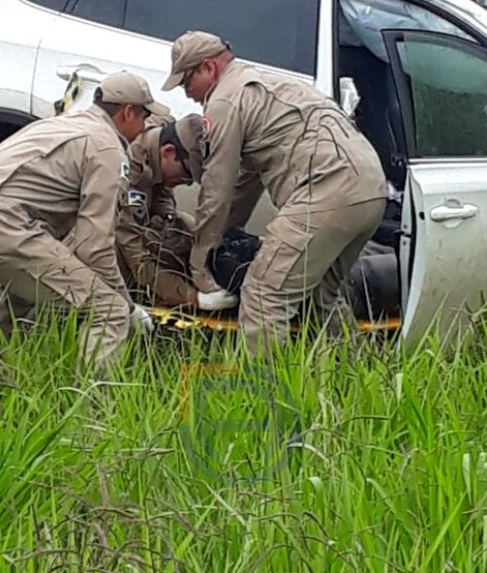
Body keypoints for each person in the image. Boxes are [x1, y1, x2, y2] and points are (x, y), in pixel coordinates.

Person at [162, 31, 388, 349]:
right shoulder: (265, 82)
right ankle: (349, 385)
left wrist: (199, 259)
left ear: (208, 68)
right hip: (370, 187)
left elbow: (218, 186)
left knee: (265, 293)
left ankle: (265, 394)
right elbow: (244, 183)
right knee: (322, 295)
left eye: (187, 83)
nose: (188, 95)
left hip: (328, 187)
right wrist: (222, 235)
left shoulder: (224, 100)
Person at [0, 71, 168, 367]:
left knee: (21, 291)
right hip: (0, 228)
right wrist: (126, 303)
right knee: (109, 311)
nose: (144, 127)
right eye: (144, 118)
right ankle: (95, 406)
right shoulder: (107, 147)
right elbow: (93, 245)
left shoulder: (59, 124)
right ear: (128, 112)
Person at [117, 113, 206, 307]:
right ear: (168, 151)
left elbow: (162, 195)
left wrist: (170, 221)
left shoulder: (159, 142)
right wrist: (193, 298)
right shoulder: (129, 168)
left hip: (129, 223)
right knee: (120, 256)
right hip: (81, 234)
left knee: (185, 224)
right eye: (187, 173)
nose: (188, 182)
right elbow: (133, 250)